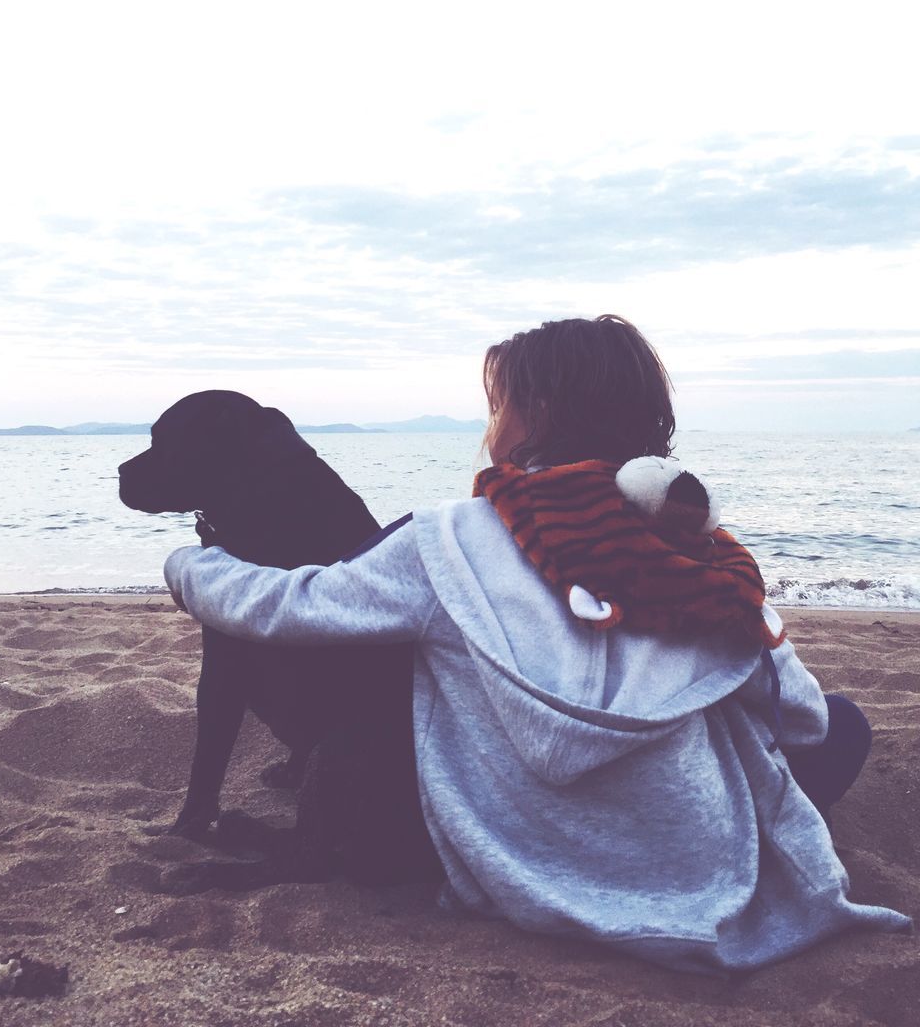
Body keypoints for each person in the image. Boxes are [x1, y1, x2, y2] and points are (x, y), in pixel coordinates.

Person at [164, 315, 911, 973]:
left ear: (535, 415)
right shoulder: (701, 549)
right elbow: (804, 720)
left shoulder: (447, 543)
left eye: (498, 403)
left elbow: (292, 608)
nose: (489, 420)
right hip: (702, 873)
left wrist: (194, 565)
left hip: (521, 866)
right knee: (842, 723)